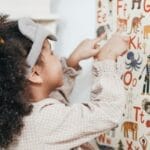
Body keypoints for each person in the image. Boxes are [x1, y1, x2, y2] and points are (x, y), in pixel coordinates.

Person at [0, 15, 128, 150]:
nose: (58, 58)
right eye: (52, 53)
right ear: (35, 73)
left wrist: (73, 61)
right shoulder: (45, 122)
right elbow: (107, 111)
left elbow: (53, 104)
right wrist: (107, 58)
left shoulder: (22, 115)